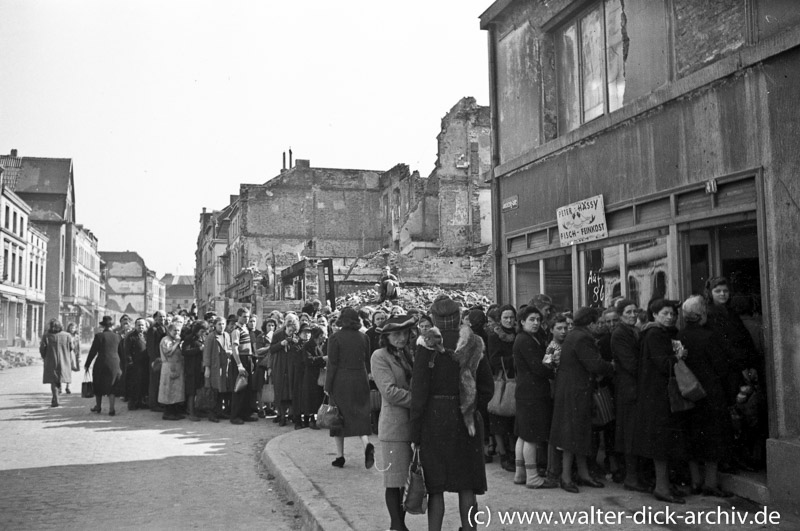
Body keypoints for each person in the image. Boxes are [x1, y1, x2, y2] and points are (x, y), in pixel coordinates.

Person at [410, 324, 493, 531]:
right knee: (467, 485)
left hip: (434, 420)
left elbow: (418, 393)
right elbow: (487, 388)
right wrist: (471, 408)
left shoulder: (427, 344)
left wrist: (415, 432)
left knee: (435, 486)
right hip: (466, 421)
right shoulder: (473, 342)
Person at [549, 307, 614, 494]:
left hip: (571, 390)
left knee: (579, 433)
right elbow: (594, 364)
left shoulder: (574, 334)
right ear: (590, 323)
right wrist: (611, 366)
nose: (600, 325)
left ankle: (582, 474)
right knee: (572, 434)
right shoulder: (583, 337)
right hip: (576, 392)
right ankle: (566, 477)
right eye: (598, 322)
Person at [676, 295, 734, 498]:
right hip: (711, 394)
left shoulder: (679, 336)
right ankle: (710, 483)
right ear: (701, 314)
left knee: (692, 437)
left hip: (689, 393)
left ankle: (695, 481)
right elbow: (721, 367)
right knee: (713, 439)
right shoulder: (710, 336)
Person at [632, 298, 687, 504]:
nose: (670, 317)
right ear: (654, 315)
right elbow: (663, 363)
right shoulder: (655, 334)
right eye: (665, 313)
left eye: (673, 314)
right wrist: (679, 356)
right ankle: (662, 488)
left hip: (656, 395)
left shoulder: (654, 332)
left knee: (663, 442)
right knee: (661, 443)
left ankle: (664, 485)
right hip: (658, 396)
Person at [371, 315, 416, 531]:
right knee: (394, 481)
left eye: (405, 333)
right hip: (394, 427)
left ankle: (399, 524)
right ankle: (397, 525)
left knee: (406, 480)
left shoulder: (406, 354)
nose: (401, 337)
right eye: (396, 334)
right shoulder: (379, 356)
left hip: (410, 425)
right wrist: (418, 401)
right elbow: (389, 392)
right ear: (386, 336)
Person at [512, 305, 557, 489]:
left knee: (523, 434)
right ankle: (532, 477)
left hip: (525, 391)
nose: (536, 323)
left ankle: (520, 473)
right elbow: (538, 368)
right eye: (532, 319)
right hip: (533, 393)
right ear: (522, 321)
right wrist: (552, 367)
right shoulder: (525, 340)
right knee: (531, 435)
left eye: (538, 319)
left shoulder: (525, 338)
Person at [325, 307, 373, 468]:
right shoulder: (364, 337)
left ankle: (340, 457)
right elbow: (367, 360)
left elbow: (332, 364)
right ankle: (367, 444)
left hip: (341, 380)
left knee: (338, 417)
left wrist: (328, 385)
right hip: (360, 378)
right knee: (360, 414)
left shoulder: (335, 338)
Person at [610, 299, 648, 492]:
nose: (633, 315)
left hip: (634, 388)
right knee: (629, 433)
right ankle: (631, 478)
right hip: (628, 390)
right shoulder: (620, 334)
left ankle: (635, 476)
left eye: (635, 311)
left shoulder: (633, 331)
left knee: (634, 432)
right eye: (628, 312)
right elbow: (630, 363)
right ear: (620, 315)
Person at [486, 304, 517, 472]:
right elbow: (494, 360)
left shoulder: (518, 333)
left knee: (512, 416)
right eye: (506, 317)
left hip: (515, 379)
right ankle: (504, 454)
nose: (509, 321)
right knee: (499, 417)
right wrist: (514, 359)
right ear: (500, 319)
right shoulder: (495, 336)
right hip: (501, 379)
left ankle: (512, 452)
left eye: (511, 317)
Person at [84, 316, 124, 416]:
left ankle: (98, 406)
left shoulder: (99, 336)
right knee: (112, 385)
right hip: (115, 364)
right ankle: (111, 409)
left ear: (102, 326)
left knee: (98, 384)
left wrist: (87, 364)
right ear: (112, 326)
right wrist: (122, 365)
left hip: (101, 363)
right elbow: (121, 353)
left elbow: (93, 352)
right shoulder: (118, 336)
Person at [270, 313, 303, 427]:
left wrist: (295, 342)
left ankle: (292, 415)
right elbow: (271, 349)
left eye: (293, 322)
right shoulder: (278, 334)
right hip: (281, 365)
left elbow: (301, 348)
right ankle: (282, 416)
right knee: (281, 390)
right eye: (289, 322)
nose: (291, 324)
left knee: (292, 390)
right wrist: (281, 343)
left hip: (293, 366)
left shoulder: (298, 334)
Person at [229, 307, 256, 424]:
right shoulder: (236, 330)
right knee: (239, 388)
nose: (247, 319)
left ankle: (245, 414)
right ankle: (235, 416)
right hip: (241, 358)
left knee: (247, 388)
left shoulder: (245, 328)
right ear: (239, 316)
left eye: (248, 316)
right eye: (244, 316)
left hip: (248, 358)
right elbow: (234, 348)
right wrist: (239, 364)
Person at [40, 318, 74, 407]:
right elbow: (71, 348)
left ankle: (56, 398)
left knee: (53, 381)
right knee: (59, 378)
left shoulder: (46, 336)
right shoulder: (67, 335)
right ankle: (55, 397)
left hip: (51, 360)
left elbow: (42, 349)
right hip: (64, 361)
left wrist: (45, 357)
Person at [203, 316, 231, 422]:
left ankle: (220, 411)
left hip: (224, 367)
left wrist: (230, 352)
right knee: (213, 390)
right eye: (219, 324)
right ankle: (212, 413)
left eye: (223, 324)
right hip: (215, 367)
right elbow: (206, 353)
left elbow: (229, 347)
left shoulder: (227, 335)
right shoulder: (211, 337)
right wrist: (207, 368)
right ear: (215, 325)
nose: (222, 326)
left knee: (222, 390)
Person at [300, 326, 327, 429]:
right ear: (319, 335)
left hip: (316, 375)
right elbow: (308, 360)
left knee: (315, 397)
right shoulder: (308, 345)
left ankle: (312, 419)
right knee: (311, 398)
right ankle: (311, 419)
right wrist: (323, 358)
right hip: (311, 375)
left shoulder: (317, 345)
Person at [159, 318, 186, 421]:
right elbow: (168, 352)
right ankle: (168, 412)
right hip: (169, 367)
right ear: (169, 331)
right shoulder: (165, 340)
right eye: (174, 330)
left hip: (178, 366)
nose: (177, 332)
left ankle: (175, 411)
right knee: (168, 390)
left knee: (176, 391)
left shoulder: (176, 340)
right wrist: (176, 344)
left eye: (178, 330)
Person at [182, 320, 208, 421]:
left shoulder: (201, 338)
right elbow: (185, 351)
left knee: (197, 389)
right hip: (191, 368)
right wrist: (199, 349)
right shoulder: (189, 338)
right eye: (202, 331)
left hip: (199, 368)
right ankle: (191, 413)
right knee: (191, 391)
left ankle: (196, 410)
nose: (203, 333)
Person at [124, 318, 150, 411]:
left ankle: (141, 402)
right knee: (134, 384)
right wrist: (130, 362)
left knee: (143, 383)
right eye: (139, 325)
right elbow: (127, 351)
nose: (141, 327)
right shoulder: (131, 336)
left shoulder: (146, 335)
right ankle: (132, 403)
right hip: (135, 364)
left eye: (142, 325)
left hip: (145, 363)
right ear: (135, 326)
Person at [146, 311, 168, 412]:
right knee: (154, 382)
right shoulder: (152, 329)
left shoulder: (165, 327)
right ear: (155, 318)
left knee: (161, 381)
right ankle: (153, 404)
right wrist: (153, 359)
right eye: (160, 317)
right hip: (156, 358)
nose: (162, 318)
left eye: (163, 317)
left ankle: (160, 402)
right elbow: (150, 346)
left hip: (163, 358)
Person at [66, 322, 81, 394]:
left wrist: (79, 357)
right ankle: (59, 386)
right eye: (71, 328)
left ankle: (67, 386)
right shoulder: (66, 335)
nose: (72, 329)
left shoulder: (77, 336)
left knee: (69, 371)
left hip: (73, 355)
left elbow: (78, 347)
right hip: (66, 354)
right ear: (68, 328)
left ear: (76, 329)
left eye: (73, 328)